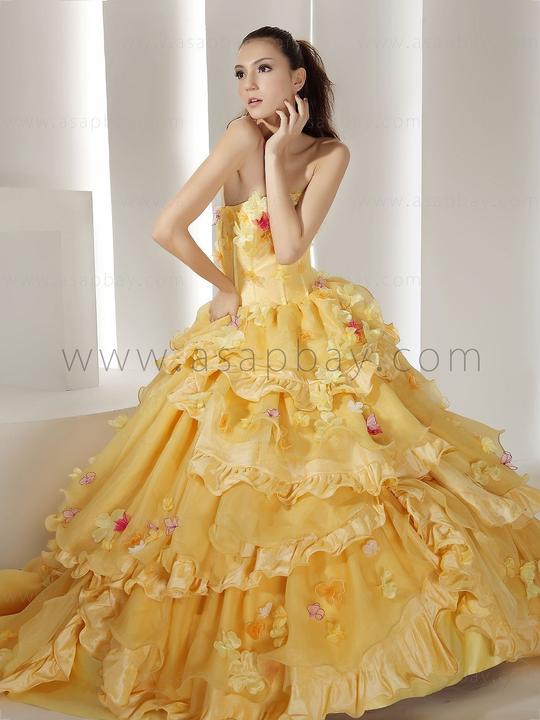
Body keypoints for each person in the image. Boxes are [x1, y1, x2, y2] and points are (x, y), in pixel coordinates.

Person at [1, 24, 539, 720]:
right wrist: (225, 285)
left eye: (261, 69)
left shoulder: (330, 153)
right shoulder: (238, 138)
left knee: (360, 473)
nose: (248, 85)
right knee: (238, 482)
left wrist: (282, 154)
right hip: (247, 336)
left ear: (297, 80)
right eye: (238, 73)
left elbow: (289, 249)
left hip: (313, 327)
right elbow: (167, 226)